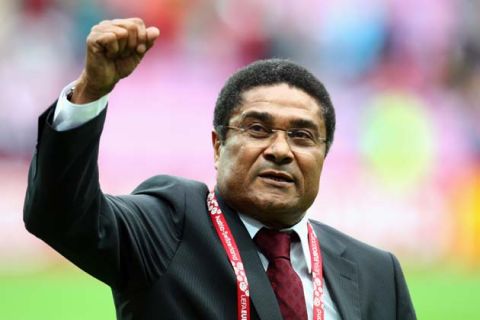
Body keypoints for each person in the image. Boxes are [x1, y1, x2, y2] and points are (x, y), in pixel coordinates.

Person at [23, 18, 416, 320]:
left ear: (323, 155)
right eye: (258, 129)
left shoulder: (377, 274)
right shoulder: (170, 226)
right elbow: (61, 215)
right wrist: (92, 89)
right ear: (218, 146)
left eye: (302, 136)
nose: (280, 150)